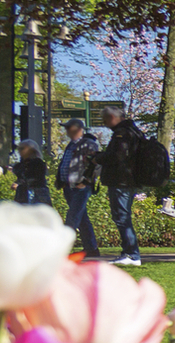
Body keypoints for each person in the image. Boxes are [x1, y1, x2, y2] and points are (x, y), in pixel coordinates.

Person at [98, 107, 149, 265]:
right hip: (128, 180)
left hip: (121, 181)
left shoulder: (123, 134)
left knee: (122, 217)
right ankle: (129, 253)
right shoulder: (133, 131)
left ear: (113, 117)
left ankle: (132, 255)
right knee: (123, 217)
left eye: (105, 120)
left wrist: (98, 157)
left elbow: (117, 156)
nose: (104, 123)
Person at [55, 119, 102, 258]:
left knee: (73, 217)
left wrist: (86, 181)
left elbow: (96, 165)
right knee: (81, 218)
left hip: (81, 186)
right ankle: (91, 248)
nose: (67, 130)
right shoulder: (71, 144)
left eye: (69, 127)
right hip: (69, 186)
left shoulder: (89, 144)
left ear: (78, 129)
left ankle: (61, 249)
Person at [12, 140, 51, 206]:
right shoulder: (20, 165)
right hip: (22, 194)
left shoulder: (38, 163)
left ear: (31, 150)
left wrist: (19, 183)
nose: (19, 151)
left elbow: (34, 178)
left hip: (37, 193)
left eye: (22, 148)